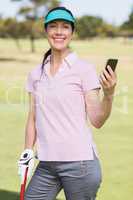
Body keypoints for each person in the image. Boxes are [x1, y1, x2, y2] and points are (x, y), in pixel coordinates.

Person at [18, 6, 117, 200]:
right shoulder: (36, 74)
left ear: (72, 33)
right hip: (46, 164)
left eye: (65, 27)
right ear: (46, 31)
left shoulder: (84, 69)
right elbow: (33, 118)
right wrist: (27, 151)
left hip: (80, 165)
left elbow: (97, 120)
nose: (59, 32)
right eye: (53, 26)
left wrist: (109, 94)